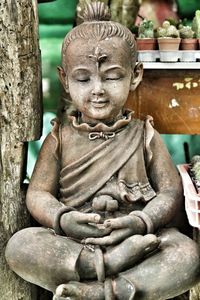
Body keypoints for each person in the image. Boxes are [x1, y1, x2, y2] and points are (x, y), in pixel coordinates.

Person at [5, 2, 200, 299]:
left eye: (111, 76)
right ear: (65, 81)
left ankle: (104, 291)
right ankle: (107, 266)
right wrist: (63, 218)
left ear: (135, 76)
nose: (97, 89)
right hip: (75, 243)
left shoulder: (143, 134)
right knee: (21, 246)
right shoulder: (60, 137)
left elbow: (169, 192)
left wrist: (140, 221)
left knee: (187, 255)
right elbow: (38, 193)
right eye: (83, 78)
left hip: (138, 240)